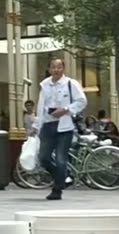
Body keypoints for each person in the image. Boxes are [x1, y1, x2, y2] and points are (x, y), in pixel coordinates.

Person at [36, 56, 86, 201]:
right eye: (53, 67)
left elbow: (82, 101)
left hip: (65, 127)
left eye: (59, 67)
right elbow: (40, 107)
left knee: (60, 159)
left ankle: (57, 189)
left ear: (63, 68)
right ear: (49, 69)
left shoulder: (71, 83)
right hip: (48, 125)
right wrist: (36, 126)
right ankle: (64, 175)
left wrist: (65, 109)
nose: (56, 70)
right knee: (43, 158)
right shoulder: (44, 84)